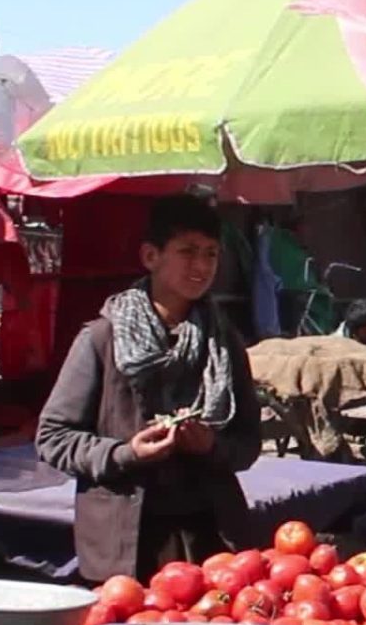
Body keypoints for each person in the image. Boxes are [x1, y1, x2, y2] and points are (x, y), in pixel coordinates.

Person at [36, 194, 262, 584]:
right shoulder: (102, 339)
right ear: (150, 256)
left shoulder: (224, 342)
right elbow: (53, 438)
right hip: (123, 542)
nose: (202, 265)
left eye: (211, 253)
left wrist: (210, 446)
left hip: (211, 535)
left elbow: (247, 443)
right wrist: (126, 453)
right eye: (187, 252)